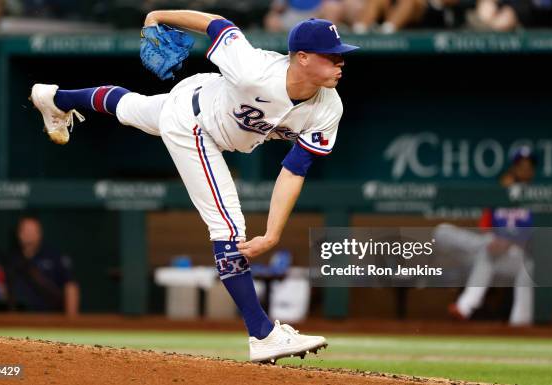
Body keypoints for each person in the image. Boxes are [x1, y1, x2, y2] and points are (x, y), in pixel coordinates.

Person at [30, 9, 357, 363]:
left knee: (128, 107)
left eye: (342, 55)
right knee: (228, 225)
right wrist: (157, 15)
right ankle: (262, 334)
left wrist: (274, 233)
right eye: (332, 55)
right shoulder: (254, 69)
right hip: (195, 123)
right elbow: (218, 23)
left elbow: (294, 170)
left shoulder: (328, 109)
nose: (341, 62)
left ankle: (55, 99)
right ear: (303, 58)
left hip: (197, 101)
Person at [436, 146, 537, 326]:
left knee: (529, 265)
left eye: (529, 165)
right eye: (521, 165)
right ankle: (464, 308)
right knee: (444, 232)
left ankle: (519, 325)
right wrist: (496, 239)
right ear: (513, 168)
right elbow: (485, 228)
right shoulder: (498, 196)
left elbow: (541, 238)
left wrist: (510, 240)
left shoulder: (538, 198)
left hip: (517, 258)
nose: (525, 169)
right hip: (489, 251)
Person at [7, 216, 80, 317]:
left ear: (39, 233)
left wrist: (71, 319)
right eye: (25, 230)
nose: (28, 234)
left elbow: (70, 286)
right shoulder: (11, 258)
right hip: (19, 318)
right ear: (19, 234)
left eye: (32, 231)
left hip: (50, 318)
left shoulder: (55, 257)